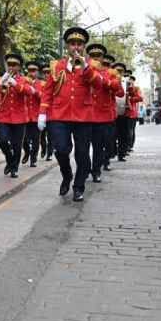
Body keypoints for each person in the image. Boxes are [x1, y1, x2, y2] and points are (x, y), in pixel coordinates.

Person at [38, 27, 104, 202]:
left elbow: (98, 85)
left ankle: (78, 186)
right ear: (68, 46)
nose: (76, 47)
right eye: (72, 44)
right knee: (60, 149)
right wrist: (43, 113)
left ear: (83, 46)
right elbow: (47, 91)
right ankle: (67, 175)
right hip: (59, 115)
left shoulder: (93, 65)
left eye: (79, 44)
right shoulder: (57, 66)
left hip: (83, 115)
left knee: (82, 154)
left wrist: (85, 67)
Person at [86, 45, 123, 182]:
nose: (96, 58)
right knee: (83, 148)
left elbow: (118, 89)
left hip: (102, 116)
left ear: (102, 58)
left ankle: (96, 171)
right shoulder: (82, 68)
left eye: (98, 56)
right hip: (85, 114)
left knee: (98, 147)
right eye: (93, 56)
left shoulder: (110, 73)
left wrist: (101, 78)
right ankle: (85, 169)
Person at [0, 53, 33, 179]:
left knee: (16, 144)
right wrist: (1, 83)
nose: (11, 67)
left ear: (19, 67)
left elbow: (29, 92)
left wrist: (16, 84)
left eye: (14, 65)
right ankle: (9, 159)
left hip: (19, 117)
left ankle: (14, 168)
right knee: (2, 141)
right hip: (4, 116)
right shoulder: (2, 78)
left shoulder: (24, 79)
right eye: (9, 64)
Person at [21, 60, 43, 168]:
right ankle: (26, 152)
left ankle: (33, 158)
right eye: (29, 70)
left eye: (34, 70)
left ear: (37, 72)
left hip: (36, 116)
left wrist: (35, 91)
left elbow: (44, 98)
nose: (31, 73)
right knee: (23, 139)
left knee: (35, 139)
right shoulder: (23, 81)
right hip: (24, 115)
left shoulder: (41, 84)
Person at [39, 64, 53, 161]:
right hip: (43, 112)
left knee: (51, 135)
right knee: (42, 135)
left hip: (52, 113)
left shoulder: (55, 81)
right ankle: (44, 149)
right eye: (45, 73)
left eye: (48, 72)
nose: (46, 74)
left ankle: (49, 153)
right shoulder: (40, 84)